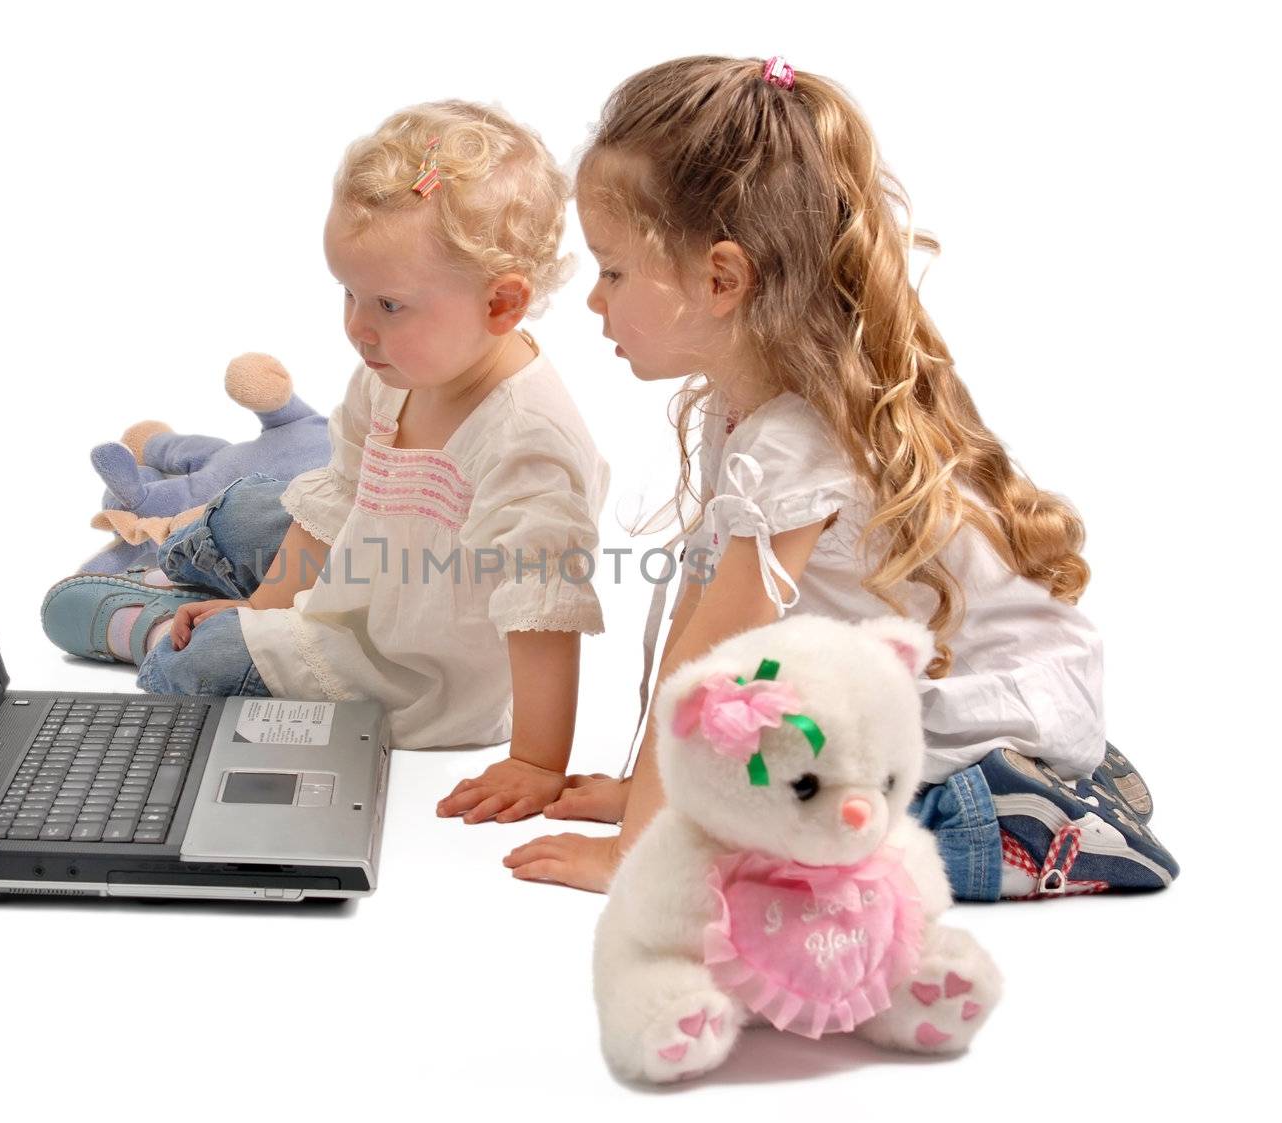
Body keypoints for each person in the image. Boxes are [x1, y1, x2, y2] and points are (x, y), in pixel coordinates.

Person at [502, 56, 1177, 899]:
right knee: (777, 746)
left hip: (991, 717)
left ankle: (1015, 820)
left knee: (809, 834)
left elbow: (714, 663)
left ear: (721, 278)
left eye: (612, 270)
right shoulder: (742, 410)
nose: (595, 301)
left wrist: (646, 853)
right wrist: (651, 795)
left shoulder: (793, 443)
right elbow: (697, 621)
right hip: (947, 689)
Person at [42, 100, 610, 819]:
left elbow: (544, 610)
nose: (358, 326)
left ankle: (154, 625)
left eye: (389, 304)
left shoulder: (528, 441)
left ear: (501, 304)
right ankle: (180, 566)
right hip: (365, 579)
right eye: (348, 292)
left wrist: (535, 760)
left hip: (404, 666)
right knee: (260, 503)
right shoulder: (393, 371)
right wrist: (259, 612)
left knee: (199, 664)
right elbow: (338, 495)